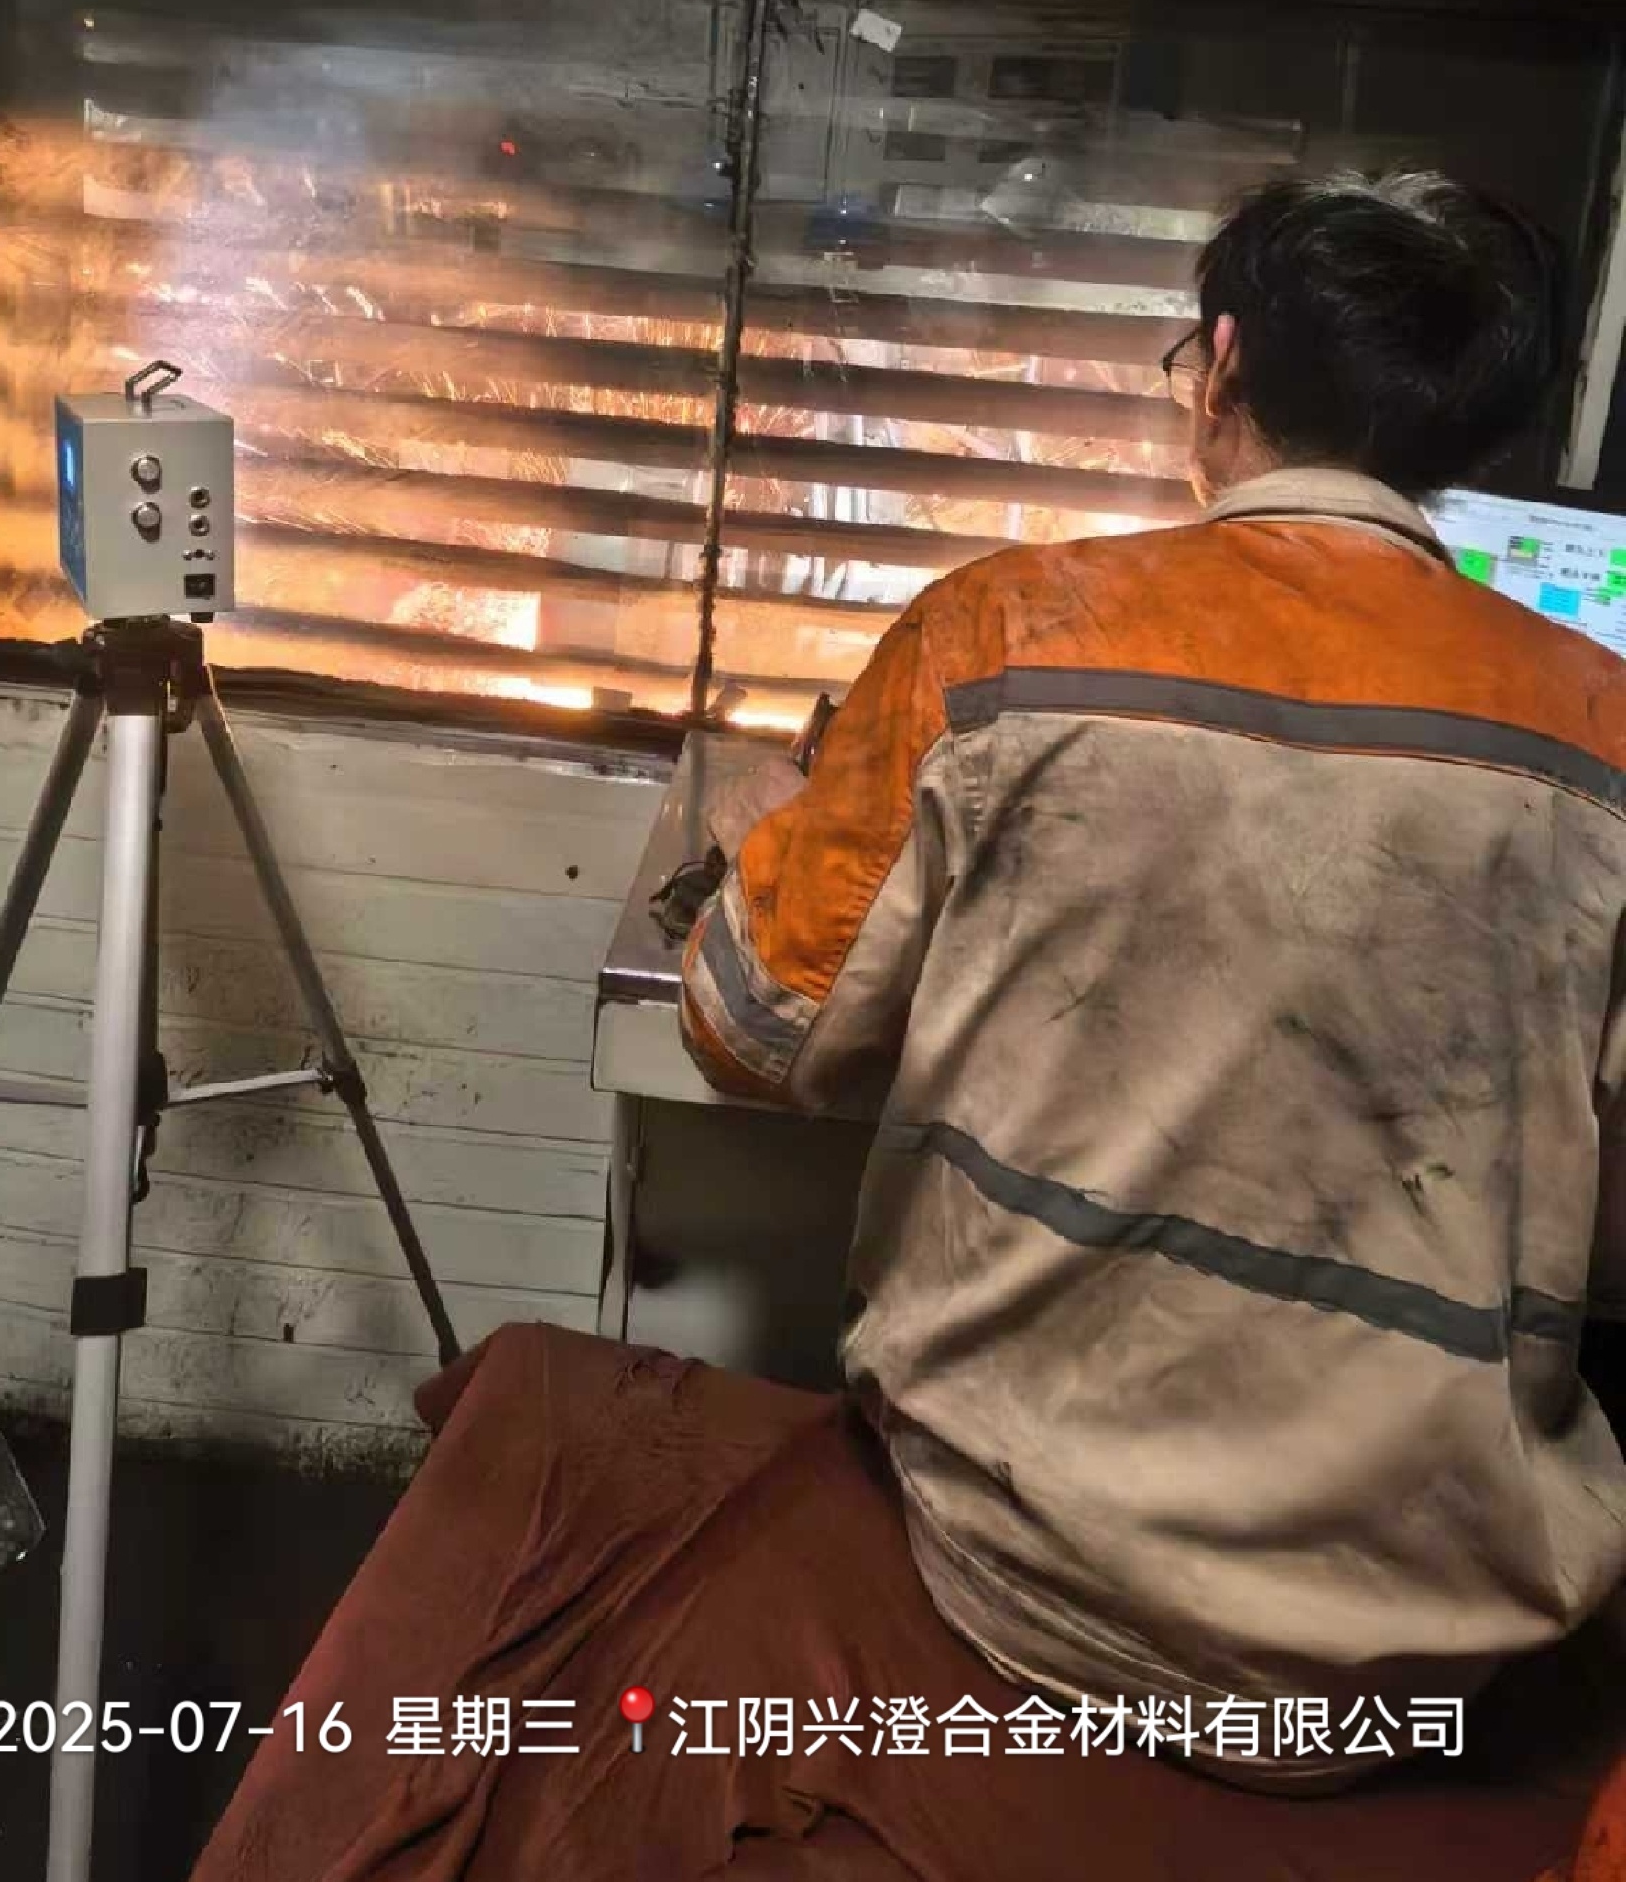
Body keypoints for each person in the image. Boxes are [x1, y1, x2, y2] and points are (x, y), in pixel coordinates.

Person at [680, 169, 1626, 1792]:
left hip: (1024, 1579)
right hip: (1417, 1656)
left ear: (1224, 365)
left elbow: (751, 1035)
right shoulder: (1602, 736)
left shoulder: (1000, 636)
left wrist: (759, 830)